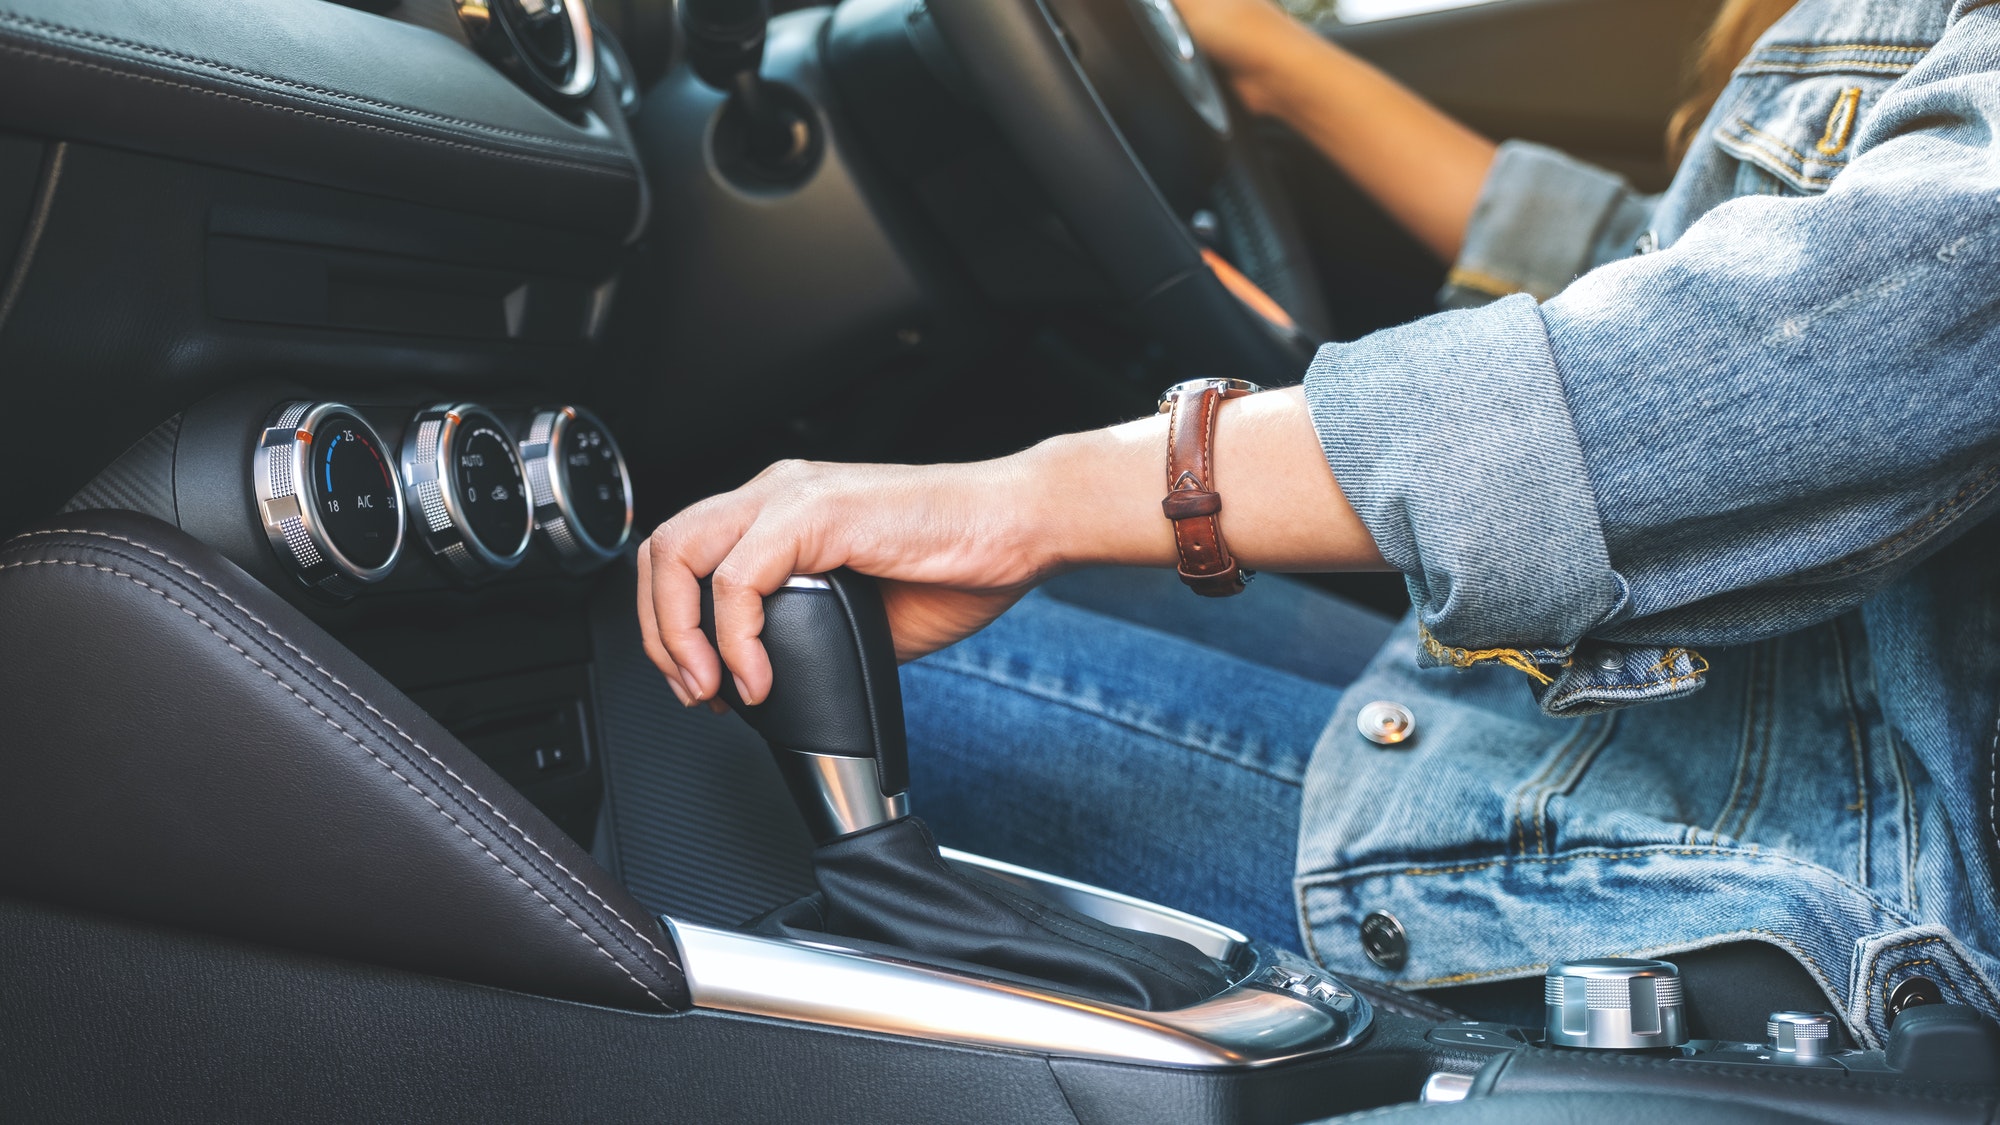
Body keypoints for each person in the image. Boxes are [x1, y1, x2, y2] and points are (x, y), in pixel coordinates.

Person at [638, 0, 2000, 1045]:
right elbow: (1658, 256)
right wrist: (1274, 65)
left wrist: (1037, 498)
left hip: (1806, 872)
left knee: (699, 661)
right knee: (985, 607)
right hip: (1701, 736)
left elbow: (1821, 346)